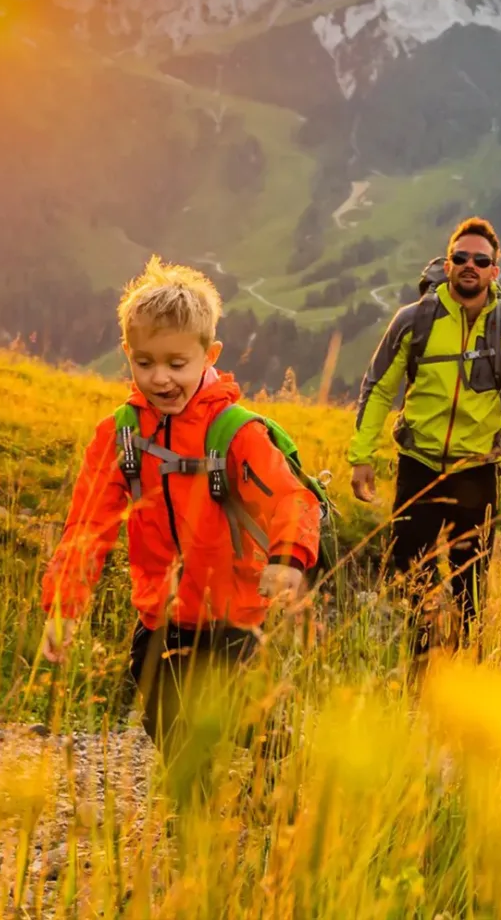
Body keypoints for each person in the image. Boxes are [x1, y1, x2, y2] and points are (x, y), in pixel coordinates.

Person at [38, 256, 321, 761]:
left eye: (176, 364)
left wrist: (287, 558)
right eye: (144, 363)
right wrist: (65, 605)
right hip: (160, 614)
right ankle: (195, 806)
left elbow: (292, 498)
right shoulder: (121, 434)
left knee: (244, 716)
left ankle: (276, 793)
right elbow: (88, 526)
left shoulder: (235, 433)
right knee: (161, 716)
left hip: (233, 619)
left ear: (209, 354)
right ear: (126, 352)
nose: (160, 379)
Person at [348, 216, 501, 663]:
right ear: (447, 265)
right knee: (410, 574)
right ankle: (420, 663)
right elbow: (379, 388)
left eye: (480, 260)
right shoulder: (413, 322)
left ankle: (466, 670)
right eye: (461, 257)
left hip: (476, 471)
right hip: (418, 465)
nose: (470, 265)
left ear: (494, 272)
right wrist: (361, 456)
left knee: (471, 581)